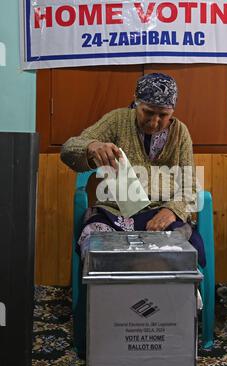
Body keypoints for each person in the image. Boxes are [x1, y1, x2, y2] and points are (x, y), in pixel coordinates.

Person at [61, 73, 205, 266]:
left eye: (163, 115)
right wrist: (91, 146)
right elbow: (68, 149)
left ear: (172, 111)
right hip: (114, 212)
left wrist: (173, 211)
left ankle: (174, 296)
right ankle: (106, 295)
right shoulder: (117, 120)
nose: (154, 122)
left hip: (161, 212)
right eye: (148, 112)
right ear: (136, 102)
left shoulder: (181, 133)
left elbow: (190, 186)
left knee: (183, 249)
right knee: (96, 245)